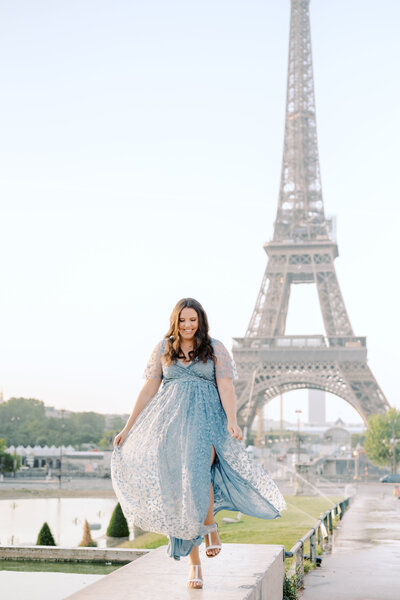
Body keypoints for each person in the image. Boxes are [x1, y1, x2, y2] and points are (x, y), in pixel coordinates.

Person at [111, 297, 286, 589]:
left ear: (201, 321)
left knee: (197, 476)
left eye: (193, 320)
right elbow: (149, 389)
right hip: (170, 427)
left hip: (207, 422)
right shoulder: (163, 348)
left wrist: (232, 419)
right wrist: (128, 428)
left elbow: (226, 386)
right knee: (180, 493)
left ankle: (209, 528)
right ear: (175, 321)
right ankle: (195, 563)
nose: (188, 325)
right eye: (182, 320)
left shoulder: (216, 348)